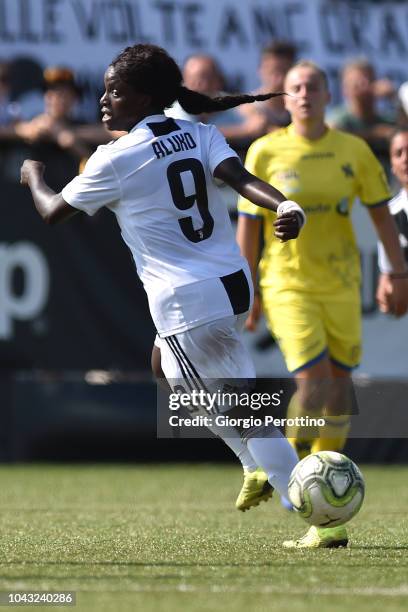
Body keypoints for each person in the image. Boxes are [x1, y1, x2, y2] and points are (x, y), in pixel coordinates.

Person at [20, 44, 312, 548]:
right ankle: (256, 467)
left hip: (188, 299)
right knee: (163, 365)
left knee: (241, 407)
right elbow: (241, 180)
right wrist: (287, 204)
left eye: (116, 91)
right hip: (229, 284)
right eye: (106, 89)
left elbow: (52, 212)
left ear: (147, 98)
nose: (104, 100)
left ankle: (311, 508)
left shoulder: (117, 158)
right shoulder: (198, 133)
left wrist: (34, 175)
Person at [237, 60, 408, 548]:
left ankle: (322, 521)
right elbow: (247, 228)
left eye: (313, 86)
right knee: (313, 383)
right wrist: (246, 289)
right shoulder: (266, 150)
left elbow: (380, 218)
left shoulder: (352, 151)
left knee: (339, 391)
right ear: (284, 98)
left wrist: (398, 273)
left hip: (341, 285)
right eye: (295, 87)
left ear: (327, 94)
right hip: (288, 284)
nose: (305, 93)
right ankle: (284, 471)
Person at [329, 59, 396, 178]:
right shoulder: (339, 118)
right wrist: (375, 134)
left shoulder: (388, 119)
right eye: (357, 83)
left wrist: (395, 99)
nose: (364, 86)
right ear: (345, 89)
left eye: (369, 80)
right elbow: (332, 135)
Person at [377, 129, 408, 312]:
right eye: (398, 153)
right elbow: (388, 279)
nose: (405, 159)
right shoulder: (389, 215)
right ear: (392, 166)